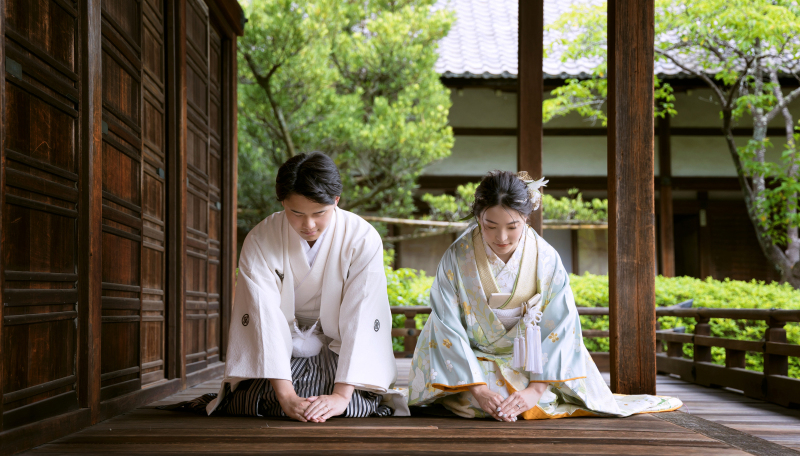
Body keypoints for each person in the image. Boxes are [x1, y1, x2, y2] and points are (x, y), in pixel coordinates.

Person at [407, 170, 682, 421]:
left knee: (537, 396)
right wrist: (478, 389)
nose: (501, 236)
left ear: (526, 217)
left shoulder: (546, 258)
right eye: (490, 226)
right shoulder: (457, 257)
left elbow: (560, 324)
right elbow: (447, 324)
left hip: (532, 362)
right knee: (475, 395)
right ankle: (481, 392)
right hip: (474, 360)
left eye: (512, 226)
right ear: (478, 217)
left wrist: (535, 390)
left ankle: (531, 395)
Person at [169, 152, 407, 421]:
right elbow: (262, 314)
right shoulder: (261, 239)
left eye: (319, 213)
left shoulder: (362, 238)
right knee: (271, 400)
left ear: (336, 201)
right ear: (282, 202)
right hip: (281, 350)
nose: (308, 225)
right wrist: (286, 396)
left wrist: (341, 395)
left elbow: (363, 313)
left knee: (350, 405)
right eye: (295, 212)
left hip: (339, 348)